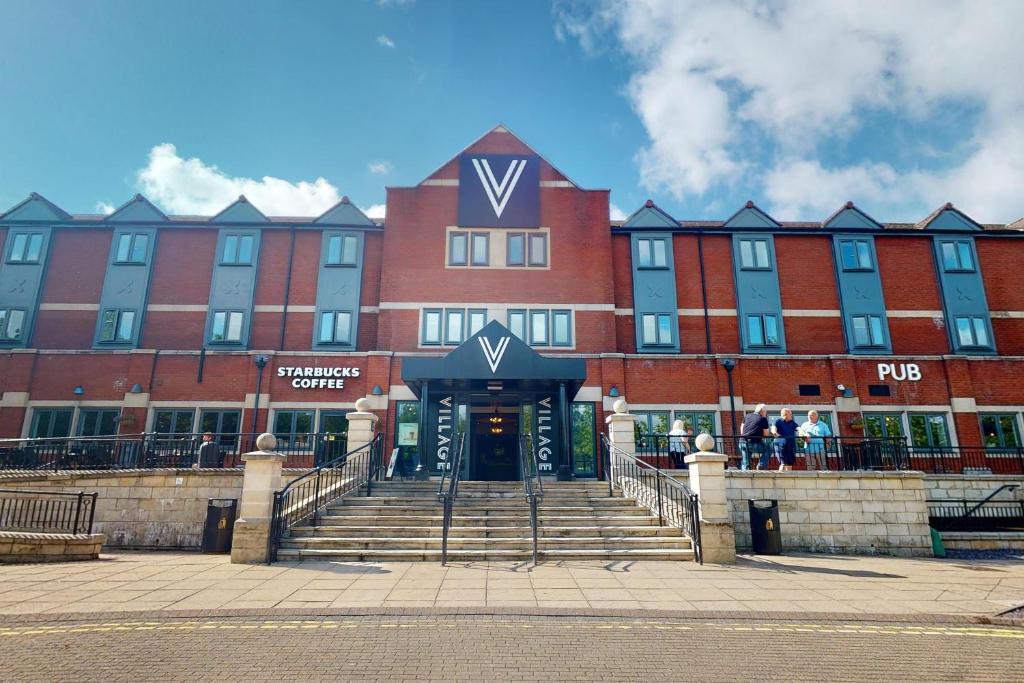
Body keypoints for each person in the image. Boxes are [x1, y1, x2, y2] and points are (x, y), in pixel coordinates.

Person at [740, 403, 771, 470]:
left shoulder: (747, 416)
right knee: (769, 448)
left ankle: (745, 475)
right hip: (754, 442)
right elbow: (766, 434)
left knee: (745, 462)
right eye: (766, 412)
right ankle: (761, 464)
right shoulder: (763, 419)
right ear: (763, 411)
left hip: (742, 441)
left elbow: (742, 430)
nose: (766, 414)